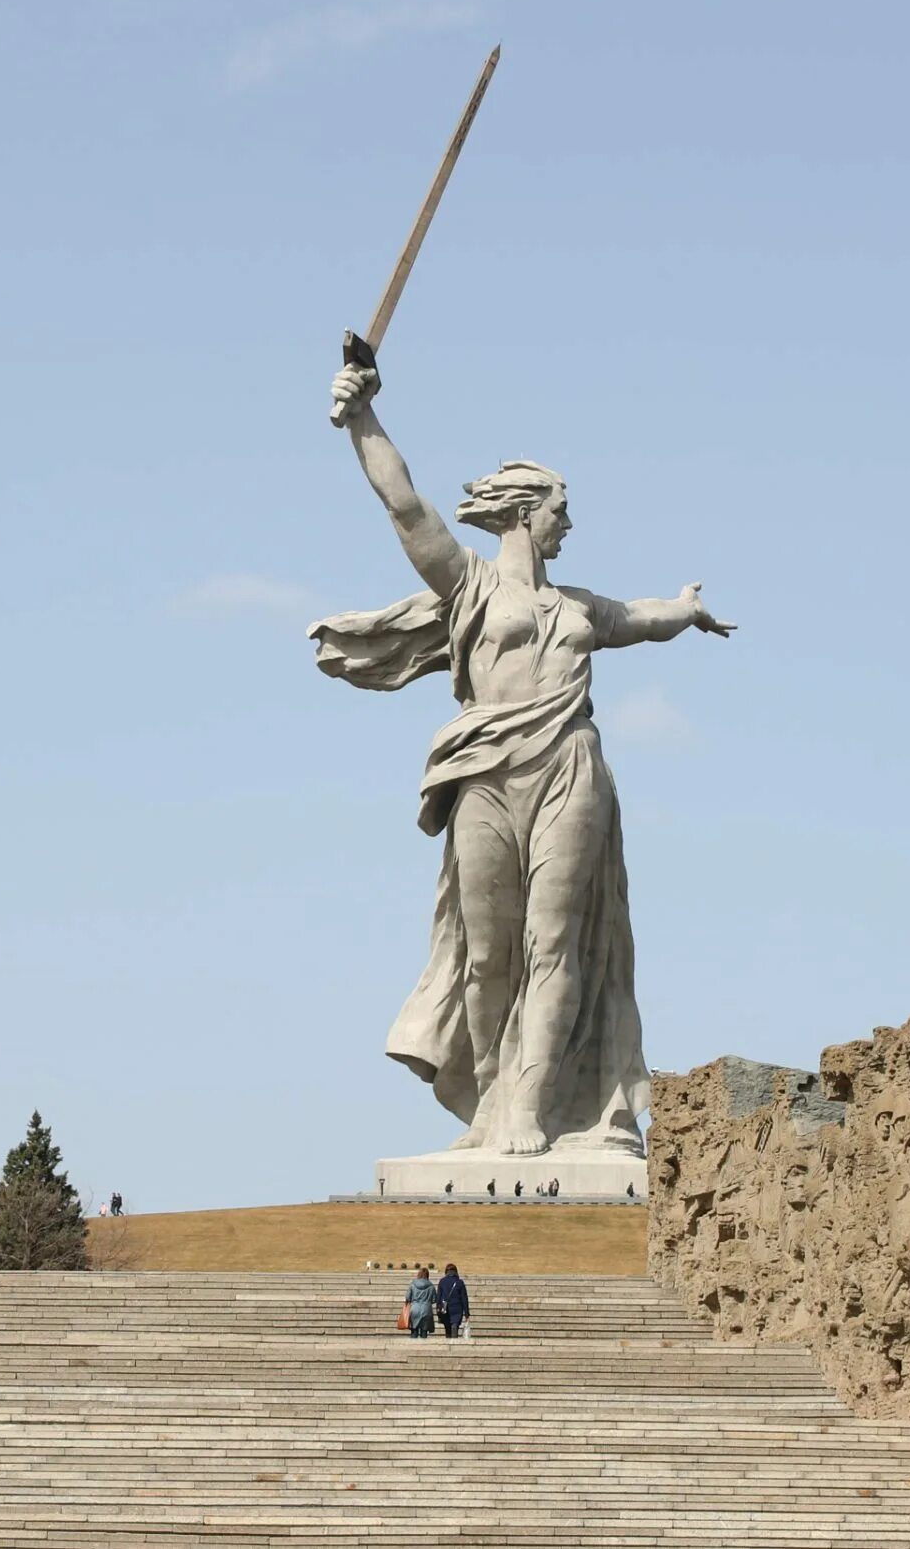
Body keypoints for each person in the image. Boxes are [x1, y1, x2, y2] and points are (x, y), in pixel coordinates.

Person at [314, 359, 732, 1158]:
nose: (568, 524)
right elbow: (405, 506)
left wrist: (686, 608)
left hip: (570, 768)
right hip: (486, 772)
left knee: (556, 941)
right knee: (485, 952)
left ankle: (532, 1107)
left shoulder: (578, 607)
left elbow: (642, 617)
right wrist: (363, 417)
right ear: (524, 512)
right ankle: (492, 1100)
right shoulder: (469, 587)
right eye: (560, 509)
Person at [436, 1262, 470, 1338]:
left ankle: (448, 1341)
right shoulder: (459, 1282)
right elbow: (464, 1298)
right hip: (457, 1308)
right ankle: (454, 1340)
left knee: (447, 1328)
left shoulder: (442, 1281)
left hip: (445, 1309)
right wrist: (467, 1313)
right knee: (455, 1325)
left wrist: (438, 1309)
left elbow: (438, 1297)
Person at [404, 1266, 438, 1338]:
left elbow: (407, 1297)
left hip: (415, 1308)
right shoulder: (431, 1286)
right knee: (424, 1332)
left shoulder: (413, 1284)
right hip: (426, 1309)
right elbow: (434, 1299)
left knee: (414, 1331)